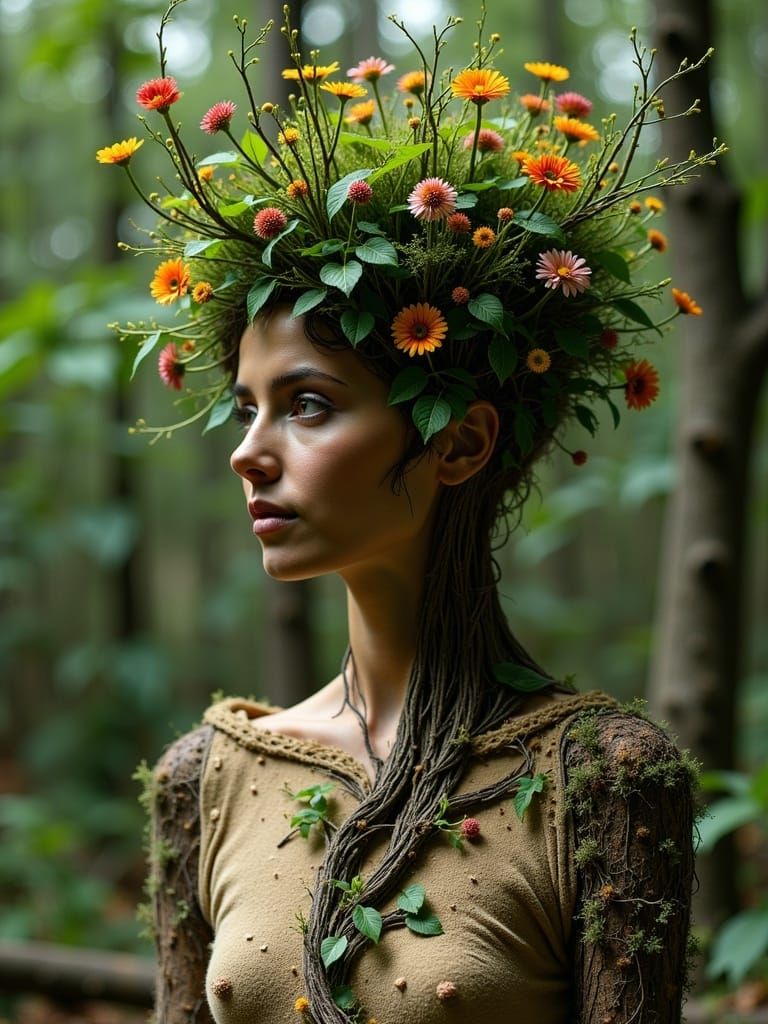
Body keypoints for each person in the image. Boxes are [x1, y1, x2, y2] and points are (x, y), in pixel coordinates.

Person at [99, 4, 719, 1021]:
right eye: (246, 406)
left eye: (306, 405)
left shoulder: (601, 780)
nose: (248, 450)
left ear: (461, 443)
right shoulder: (204, 779)